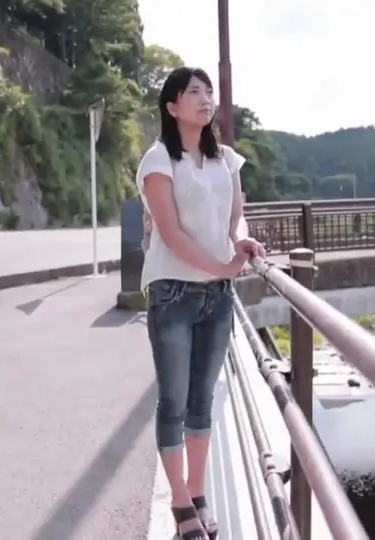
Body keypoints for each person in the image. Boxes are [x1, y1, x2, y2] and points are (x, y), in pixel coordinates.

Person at [136, 66, 264, 540]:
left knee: (201, 400)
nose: (205, 99)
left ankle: (198, 492)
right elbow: (170, 234)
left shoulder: (225, 159)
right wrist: (221, 268)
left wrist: (242, 243)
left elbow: (236, 219)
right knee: (173, 401)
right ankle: (180, 502)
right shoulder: (158, 161)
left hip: (217, 297)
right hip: (173, 292)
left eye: (208, 91)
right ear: (172, 106)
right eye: (194, 92)